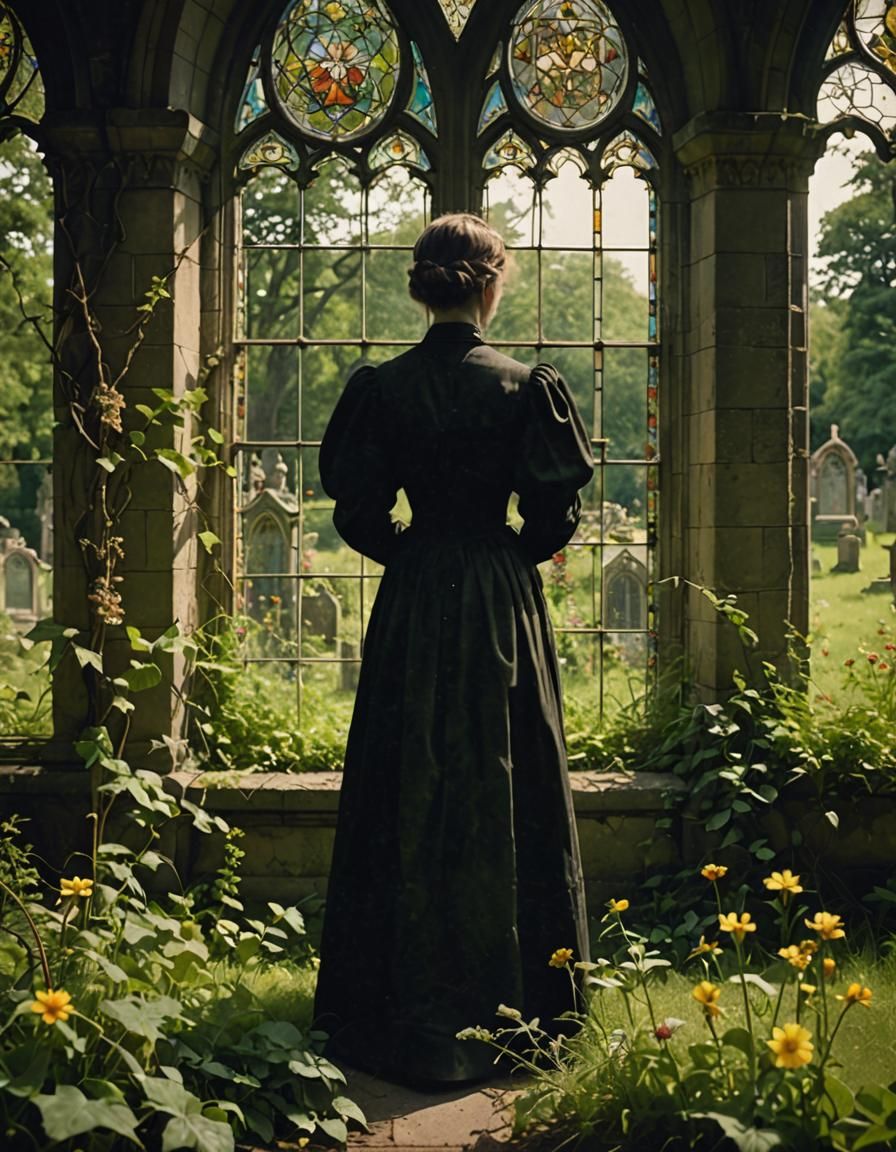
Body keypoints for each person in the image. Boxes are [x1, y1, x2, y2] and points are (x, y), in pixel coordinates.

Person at [312, 212, 593, 1089]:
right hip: (499, 600)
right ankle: (522, 1012)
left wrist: (418, 554)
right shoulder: (524, 387)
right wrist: (501, 553)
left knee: (408, 779)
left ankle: (392, 1011)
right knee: (505, 779)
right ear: (492, 283)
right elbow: (553, 515)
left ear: (421, 288)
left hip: (415, 598)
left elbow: (358, 512)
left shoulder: (380, 389)